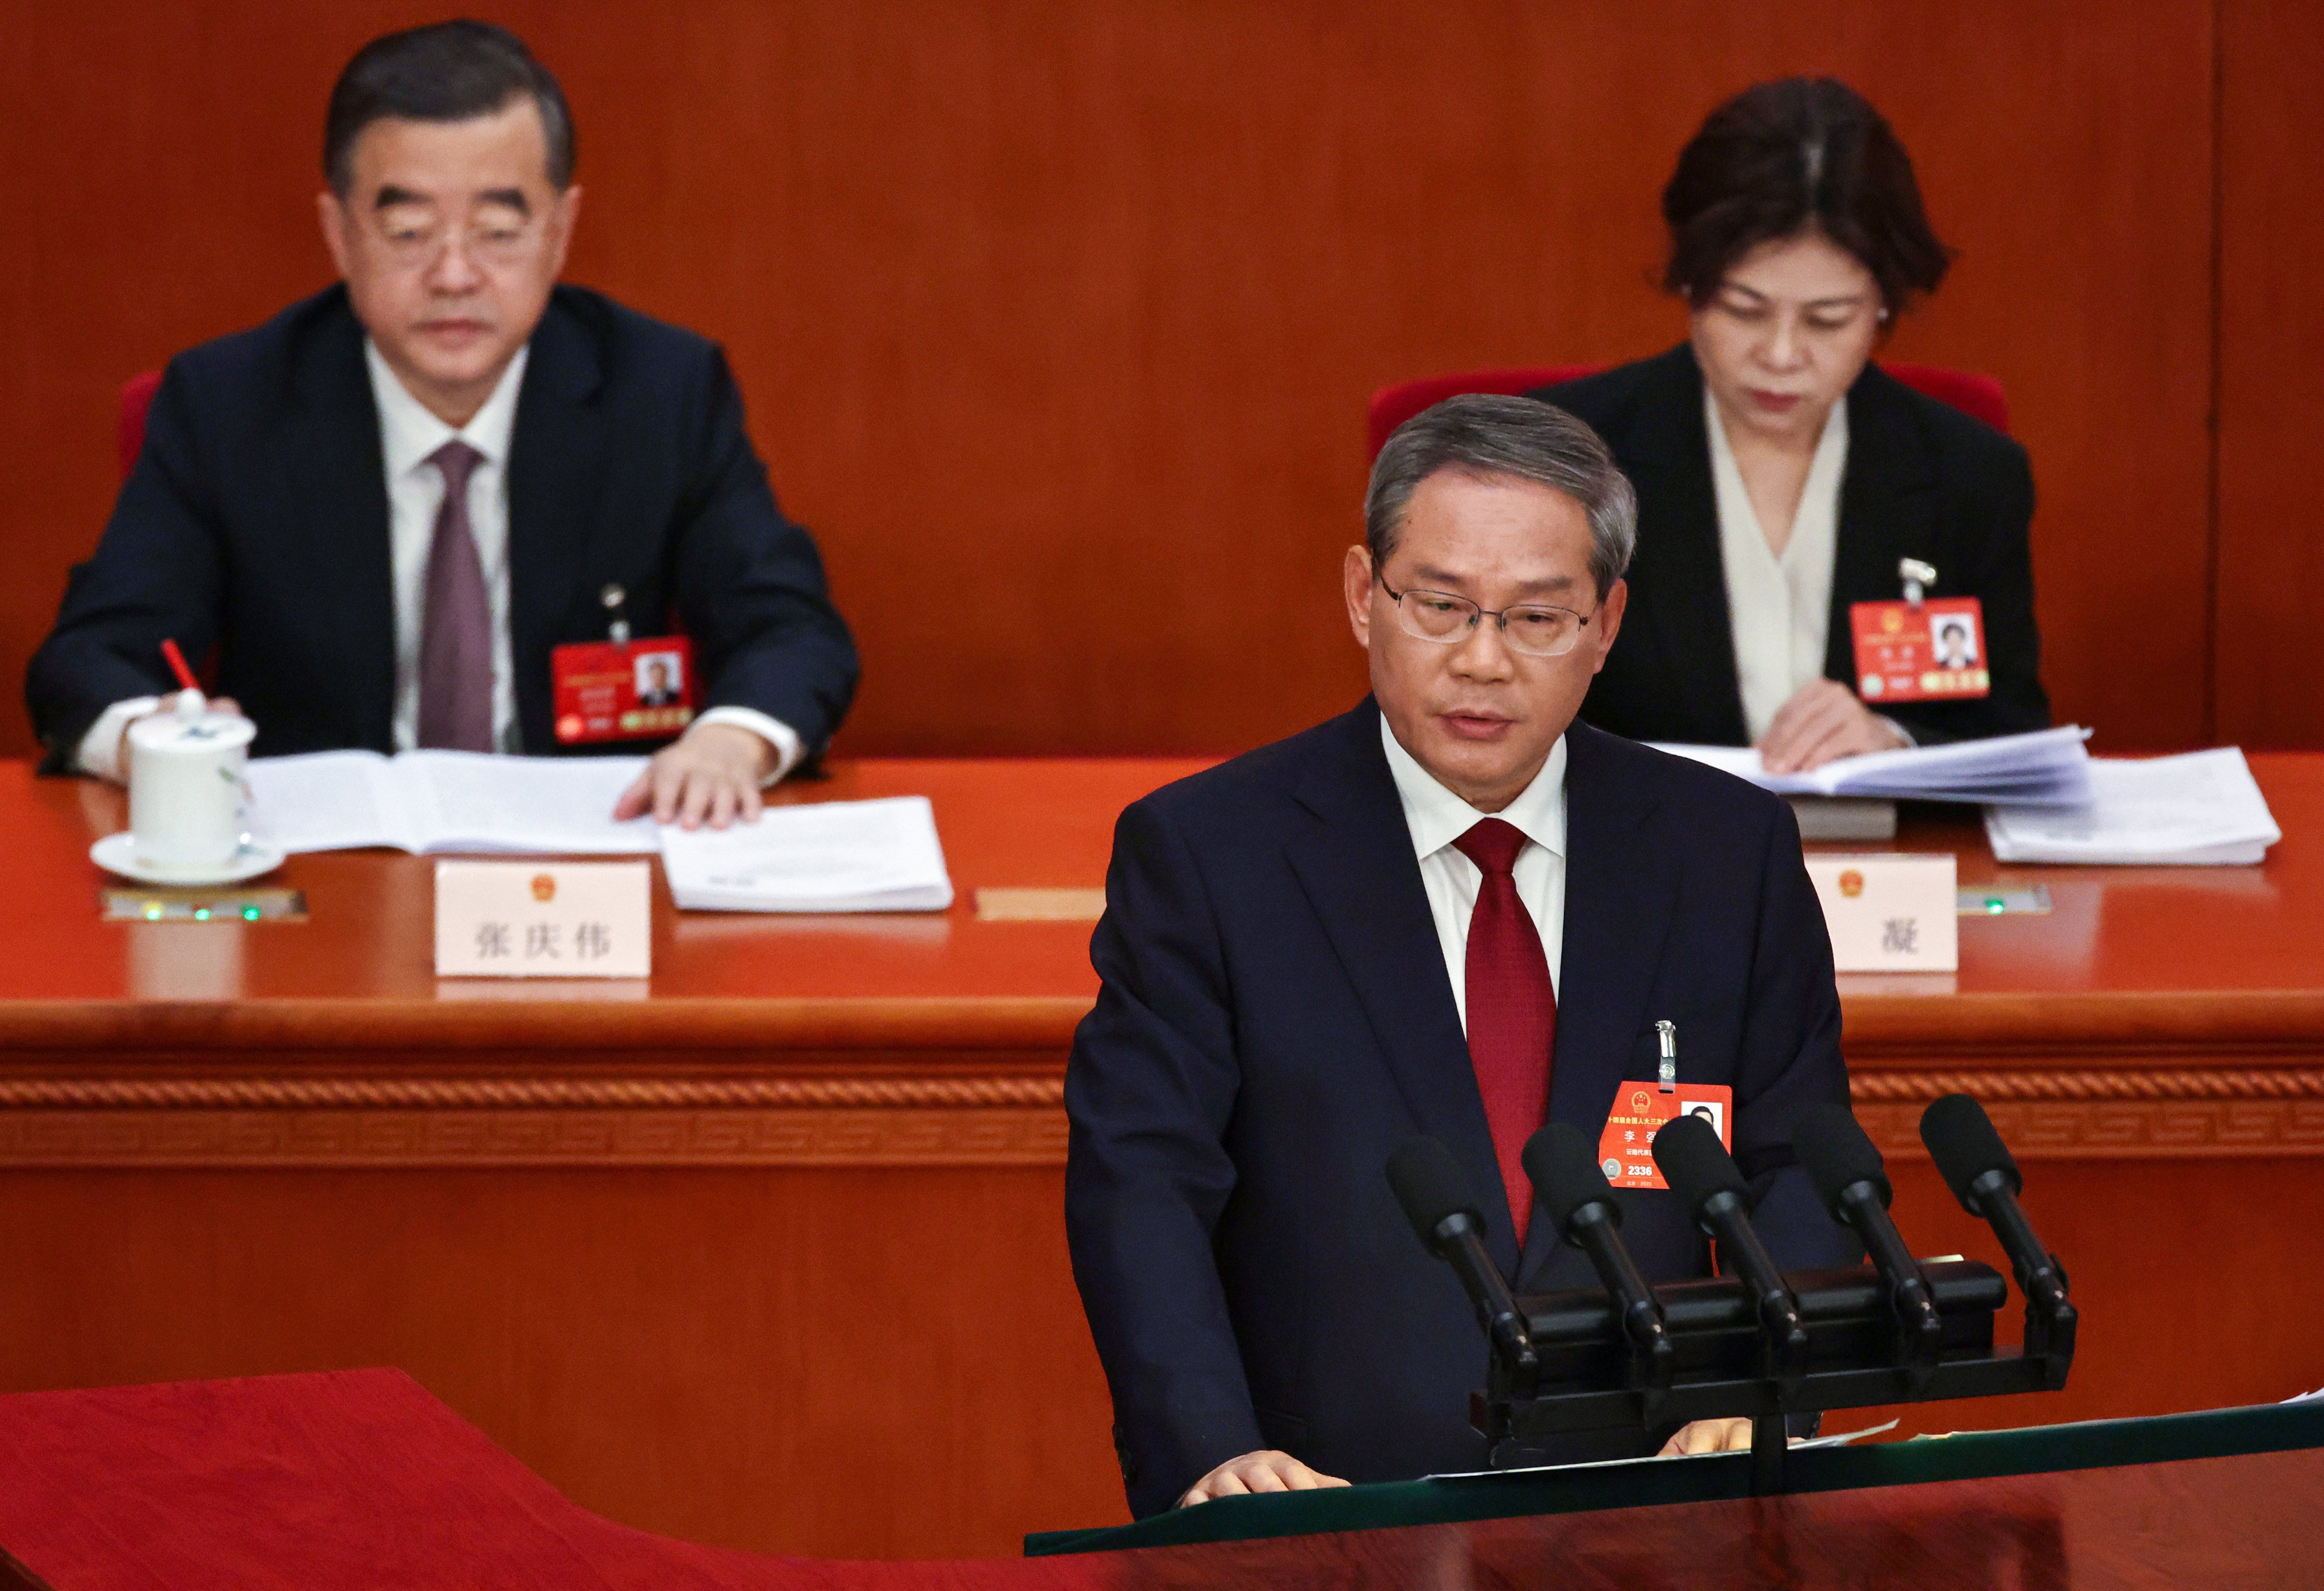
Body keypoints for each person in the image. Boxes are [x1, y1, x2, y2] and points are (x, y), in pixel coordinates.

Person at [1066, 395, 1853, 1517]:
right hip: (1323, 1512)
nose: (1481, 661)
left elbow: (1797, 1161)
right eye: (1439, 606)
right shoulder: (1207, 855)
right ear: (1360, 595)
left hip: (1657, 1514)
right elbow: (1140, 1182)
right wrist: (1208, 1446)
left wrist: (1771, 1386)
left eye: (1536, 618)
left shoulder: (1724, 851)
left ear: (1606, 623)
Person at [24, 22, 856, 830]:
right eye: (408, 232)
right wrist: (149, 744)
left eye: (498, 232)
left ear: (559, 232)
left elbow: (790, 630)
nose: (455, 276)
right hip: (321, 891)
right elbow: (89, 659)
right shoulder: (227, 404)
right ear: (339, 234)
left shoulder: (660, 393)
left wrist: (731, 739)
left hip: (583, 891)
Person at [1533, 78, 2046, 771]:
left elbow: (2013, 737)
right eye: (1745, 309)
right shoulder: (1562, 457)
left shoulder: (1966, 477)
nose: (1780, 355)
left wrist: (1895, 742)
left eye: (1827, 319)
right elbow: (1490, 711)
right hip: (1635, 861)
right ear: (1689, 284)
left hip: (1882, 866)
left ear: (1884, 309)